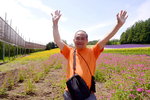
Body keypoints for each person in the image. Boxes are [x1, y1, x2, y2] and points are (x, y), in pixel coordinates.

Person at [51, 10, 128, 100]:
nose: (80, 40)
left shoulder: (93, 51)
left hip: (87, 93)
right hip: (70, 92)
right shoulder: (69, 51)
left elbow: (106, 38)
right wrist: (55, 24)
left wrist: (118, 25)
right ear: (74, 40)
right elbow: (58, 40)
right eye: (77, 38)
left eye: (82, 38)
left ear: (87, 40)